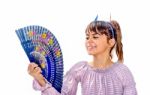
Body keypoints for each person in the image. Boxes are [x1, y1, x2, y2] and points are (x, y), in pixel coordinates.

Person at [28, 19, 137, 95]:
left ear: (111, 42)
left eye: (95, 37)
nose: (89, 41)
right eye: (87, 37)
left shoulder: (122, 72)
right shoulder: (80, 69)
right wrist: (40, 79)